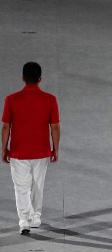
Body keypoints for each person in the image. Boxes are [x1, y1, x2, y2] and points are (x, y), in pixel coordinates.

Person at [2, 62, 60, 235]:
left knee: (21, 187)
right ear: (40, 79)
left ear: (23, 78)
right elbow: (55, 127)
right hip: (41, 151)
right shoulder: (50, 99)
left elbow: (6, 127)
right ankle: (35, 218)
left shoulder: (11, 99)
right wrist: (55, 149)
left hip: (18, 152)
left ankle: (24, 221)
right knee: (37, 185)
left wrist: (3, 149)